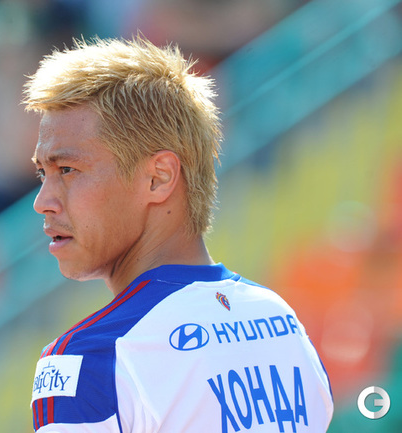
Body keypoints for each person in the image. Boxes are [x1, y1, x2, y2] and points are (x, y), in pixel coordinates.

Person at [23, 36, 333, 433]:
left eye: (66, 170)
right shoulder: (280, 319)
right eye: (42, 173)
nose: (42, 202)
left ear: (159, 178)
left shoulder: (90, 356)